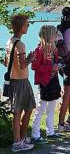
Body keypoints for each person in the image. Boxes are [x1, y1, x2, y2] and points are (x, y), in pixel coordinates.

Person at [5, 14, 36, 152]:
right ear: (20, 27)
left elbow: (7, 63)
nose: (28, 26)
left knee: (27, 109)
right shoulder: (21, 44)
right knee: (19, 112)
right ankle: (18, 142)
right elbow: (23, 65)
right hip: (20, 81)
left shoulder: (10, 41)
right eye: (26, 24)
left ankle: (21, 138)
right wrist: (31, 58)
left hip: (14, 81)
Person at [31, 25, 62, 143]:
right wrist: (51, 67)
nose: (57, 35)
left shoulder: (54, 49)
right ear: (49, 35)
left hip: (53, 80)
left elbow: (55, 63)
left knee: (52, 107)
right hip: (44, 81)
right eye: (55, 33)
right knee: (41, 108)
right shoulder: (39, 50)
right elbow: (35, 66)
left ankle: (50, 132)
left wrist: (57, 67)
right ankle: (35, 135)